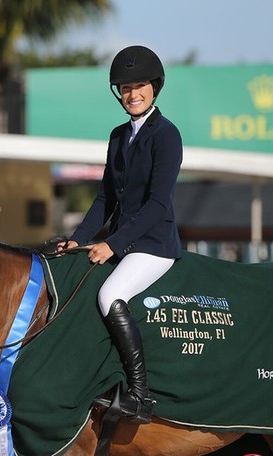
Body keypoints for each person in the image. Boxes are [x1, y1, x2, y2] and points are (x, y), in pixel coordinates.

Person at [55, 45, 182, 424]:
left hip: (154, 245)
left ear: (154, 87)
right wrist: (78, 239)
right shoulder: (117, 136)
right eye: (125, 88)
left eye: (139, 86)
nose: (133, 94)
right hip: (123, 242)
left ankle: (141, 396)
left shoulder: (167, 135)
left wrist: (111, 243)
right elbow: (106, 197)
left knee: (110, 294)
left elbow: (158, 205)